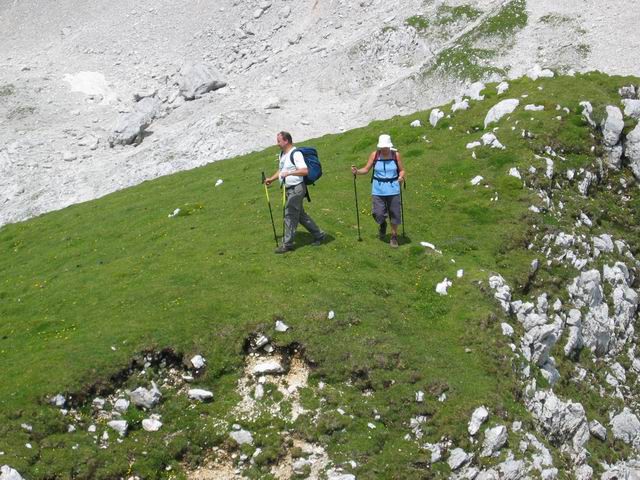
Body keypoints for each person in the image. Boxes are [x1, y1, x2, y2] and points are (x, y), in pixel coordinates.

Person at [264, 131, 326, 254]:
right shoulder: (283, 154)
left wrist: (290, 173)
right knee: (301, 216)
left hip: (297, 188)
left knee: (289, 214)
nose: (277, 144)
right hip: (288, 189)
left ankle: (287, 244)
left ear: (286, 141)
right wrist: (271, 179)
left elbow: (304, 171)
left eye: (279, 141)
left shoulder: (296, 154)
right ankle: (319, 235)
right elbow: (281, 170)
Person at [351, 134, 405, 248]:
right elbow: (366, 169)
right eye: (382, 147)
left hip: (393, 189)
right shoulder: (375, 155)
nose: (384, 149)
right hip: (378, 189)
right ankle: (382, 224)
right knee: (378, 213)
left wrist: (401, 177)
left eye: (386, 147)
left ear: (389, 146)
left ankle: (394, 237)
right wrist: (357, 172)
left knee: (394, 213)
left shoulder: (396, 155)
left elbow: (402, 170)